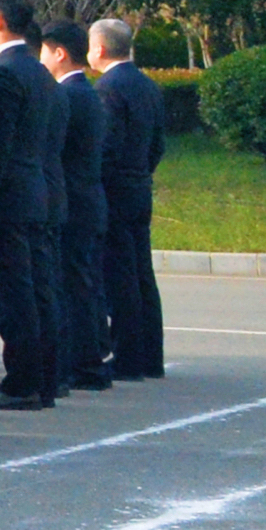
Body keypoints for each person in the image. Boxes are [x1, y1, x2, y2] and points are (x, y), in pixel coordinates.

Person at [0, 0, 58, 409]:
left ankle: (23, 380)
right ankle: (43, 376)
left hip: (10, 194)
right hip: (36, 189)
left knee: (13, 289)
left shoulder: (5, 72)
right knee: (36, 285)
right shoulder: (38, 70)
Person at [93, 19, 168, 377]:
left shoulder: (108, 87)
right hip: (140, 185)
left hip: (116, 190)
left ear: (101, 49)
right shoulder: (146, 85)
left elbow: (106, 146)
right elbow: (158, 143)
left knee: (119, 276)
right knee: (142, 274)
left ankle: (127, 358)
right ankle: (150, 356)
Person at [44, 19, 112, 392]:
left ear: (59, 53)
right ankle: (90, 357)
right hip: (88, 198)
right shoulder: (88, 93)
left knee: (73, 284)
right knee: (83, 282)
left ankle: (83, 362)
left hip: (74, 200)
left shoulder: (69, 96)